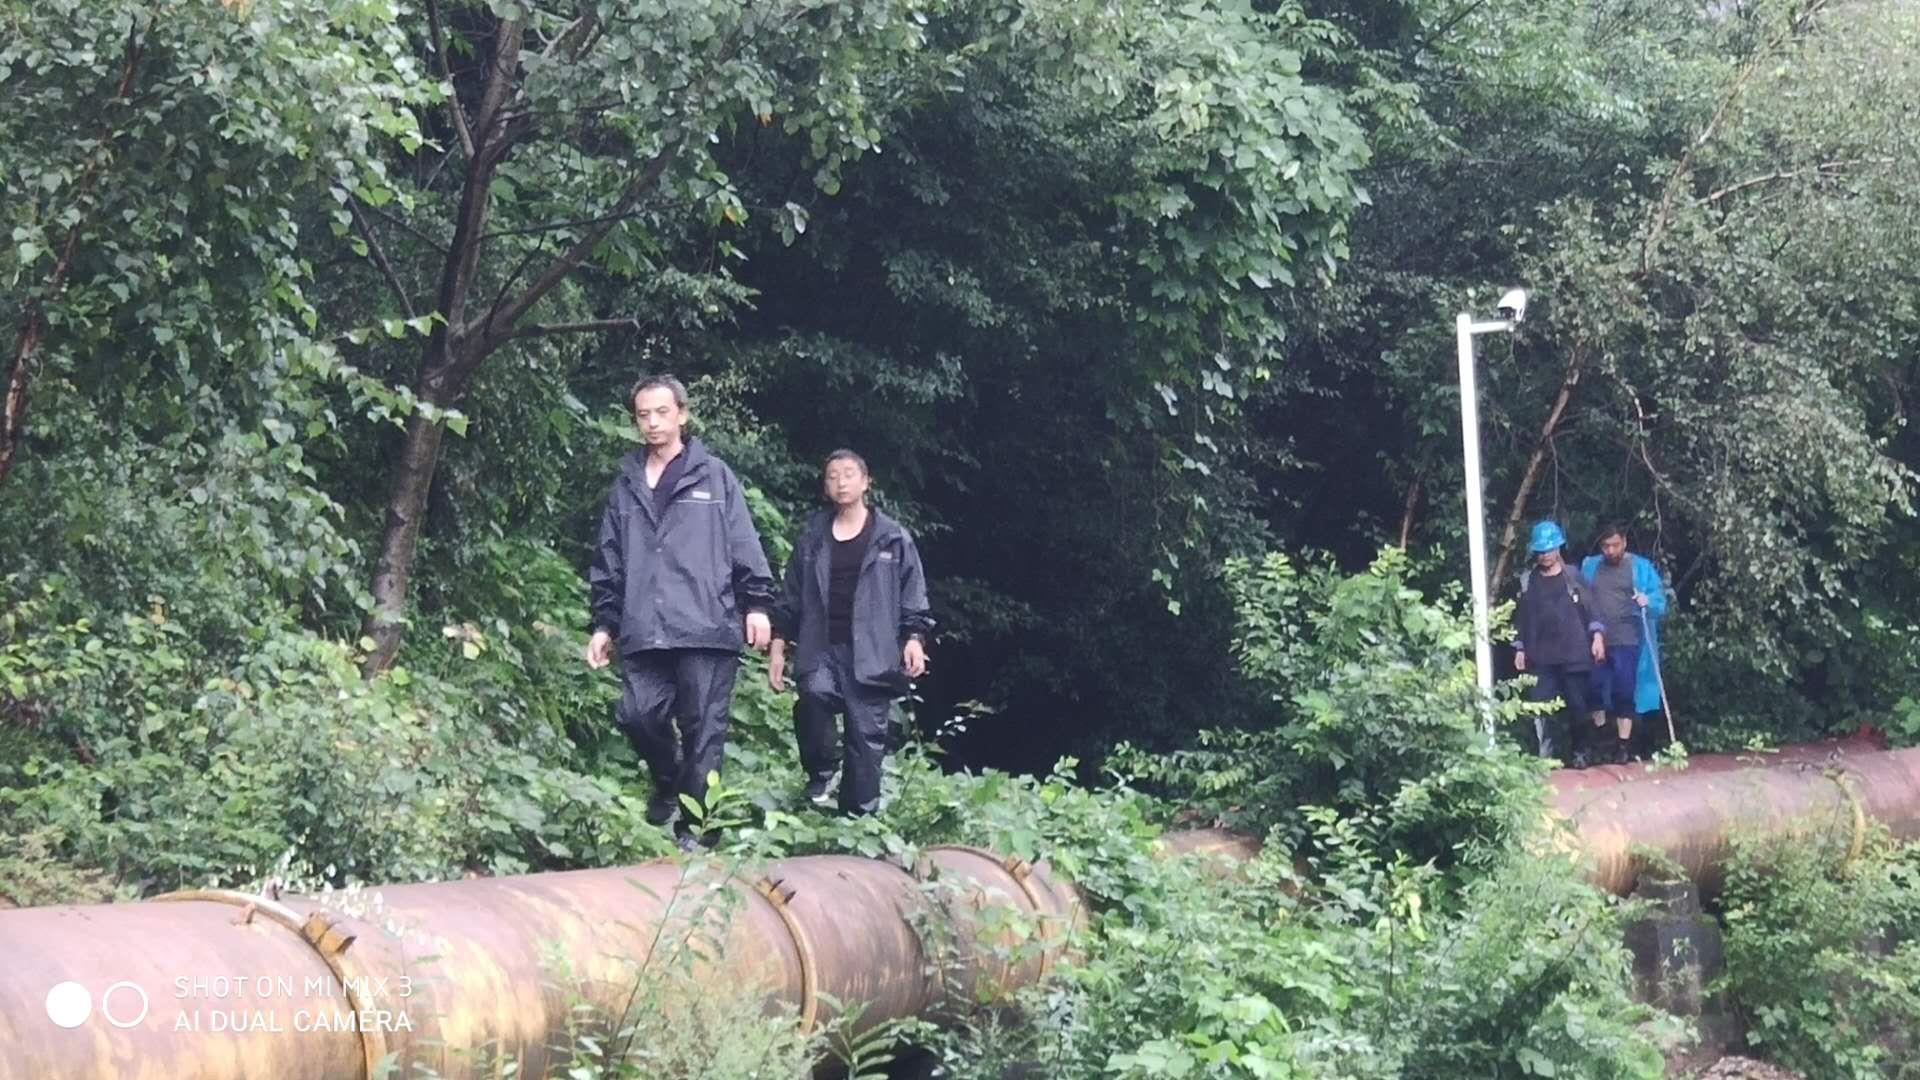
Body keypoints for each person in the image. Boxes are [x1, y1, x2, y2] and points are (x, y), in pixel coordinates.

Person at [585, 375, 775, 850]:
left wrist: (757, 604)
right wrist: (605, 623)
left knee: (703, 732)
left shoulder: (715, 476)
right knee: (636, 715)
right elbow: (609, 558)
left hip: (706, 623)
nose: (652, 422)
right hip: (644, 626)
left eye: (661, 412)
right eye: (643, 414)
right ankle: (669, 780)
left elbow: (743, 542)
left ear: (682, 415)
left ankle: (698, 833)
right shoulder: (626, 484)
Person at [768, 450, 933, 815]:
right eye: (832, 476)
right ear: (825, 487)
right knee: (812, 697)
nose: (840, 482)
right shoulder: (812, 537)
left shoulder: (893, 538)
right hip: (821, 647)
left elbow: (914, 595)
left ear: (866, 482)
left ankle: (856, 822)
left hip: (873, 652)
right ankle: (822, 773)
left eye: (848, 474)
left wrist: (914, 639)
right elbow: (790, 597)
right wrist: (778, 648)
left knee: (865, 745)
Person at [1512, 520, 1607, 766]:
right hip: (1541, 656)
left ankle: (1580, 752)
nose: (1545, 555)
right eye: (1541, 551)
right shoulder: (1528, 581)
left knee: (1577, 705)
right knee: (1541, 708)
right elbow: (1522, 617)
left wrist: (1597, 637)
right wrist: (1519, 647)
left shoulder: (1572, 576)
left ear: (1558, 548)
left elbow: (1592, 609)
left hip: (1574, 653)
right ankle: (1545, 757)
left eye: (1549, 549)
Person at [1580, 522, 1669, 763]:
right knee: (1594, 688)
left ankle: (1623, 746)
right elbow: (1582, 598)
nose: (1610, 551)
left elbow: (1660, 603)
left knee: (1624, 690)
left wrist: (1647, 600)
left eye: (1615, 545)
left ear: (1624, 543)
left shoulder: (1640, 567)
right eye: (1606, 546)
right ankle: (1601, 738)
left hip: (1628, 639)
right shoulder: (1590, 566)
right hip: (1596, 639)